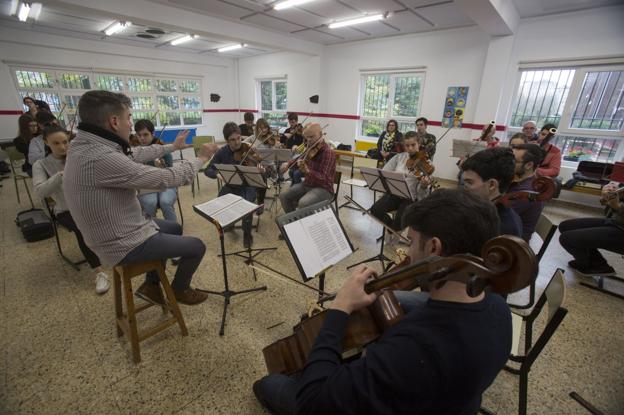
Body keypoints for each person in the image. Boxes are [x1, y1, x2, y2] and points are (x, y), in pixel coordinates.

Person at [253, 189, 512, 415]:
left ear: (434, 248)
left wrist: (340, 308)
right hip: (452, 402)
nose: (408, 253)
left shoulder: (411, 350)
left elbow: (314, 404)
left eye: (411, 242)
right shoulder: (499, 308)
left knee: (268, 384)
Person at [63, 90, 217, 306]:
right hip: (120, 243)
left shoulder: (86, 145)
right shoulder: (101, 158)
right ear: (114, 121)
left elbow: (134, 154)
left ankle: (152, 285)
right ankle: (180, 290)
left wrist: (172, 147)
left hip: (115, 229)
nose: (131, 124)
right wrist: (202, 158)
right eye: (129, 118)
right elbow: (166, 177)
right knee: (197, 246)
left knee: (173, 228)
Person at [32, 125, 110, 294]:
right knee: (83, 228)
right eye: (56, 143)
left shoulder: (77, 157)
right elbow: (40, 191)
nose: (62, 147)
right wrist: (60, 175)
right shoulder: (41, 165)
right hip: (66, 210)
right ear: (46, 142)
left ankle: (117, 253)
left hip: (89, 204)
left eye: (65, 142)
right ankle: (99, 272)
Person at [205, 122, 262, 249]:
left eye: (238, 138)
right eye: (232, 140)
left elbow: (261, 168)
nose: (237, 143)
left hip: (247, 185)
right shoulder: (222, 152)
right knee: (220, 200)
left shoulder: (248, 149)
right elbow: (208, 170)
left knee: (246, 205)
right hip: (231, 185)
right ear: (226, 141)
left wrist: (260, 169)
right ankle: (228, 224)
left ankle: (247, 234)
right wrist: (218, 175)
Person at [369, 132, 432, 234]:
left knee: (401, 219)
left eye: (413, 145)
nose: (410, 148)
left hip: (411, 198)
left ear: (419, 144)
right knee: (375, 210)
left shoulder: (426, 163)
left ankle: (394, 230)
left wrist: (424, 186)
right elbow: (385, 172)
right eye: (407, 146)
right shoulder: (399, 157)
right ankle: (392, 229)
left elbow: (422, 196)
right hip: (394, 193)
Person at [559, 181, 624, 276]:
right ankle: (598, 264)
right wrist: (610, 190)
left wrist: (618, 207)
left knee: (566, 238)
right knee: (565, 226)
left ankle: (588, 265)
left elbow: (618, 207)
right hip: (617, 222)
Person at [461, 147, 522, 237]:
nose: (464, 189)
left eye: (469, 183)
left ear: (492, 185)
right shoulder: (486, 208)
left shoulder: (500, 229)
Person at [279, 123, 335, 214]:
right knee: (283, 196)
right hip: (308, 184)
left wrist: (308, 171)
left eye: (311, 137)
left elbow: (324, 178)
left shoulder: (328, 152)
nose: (308, 140)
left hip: (324, 189)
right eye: (306, 137)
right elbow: (299, 158)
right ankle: (294, 222)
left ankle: (304, 225)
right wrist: (288, 164)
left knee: (303, 203)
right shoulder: (310, 147)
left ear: (321, 134)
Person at [134, 119, 179, 223]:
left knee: (165, 201)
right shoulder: (136, 152)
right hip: (147, 185)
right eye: (139, 135)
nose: (142, 138)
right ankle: (152, 230)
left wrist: (162, 167)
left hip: (166, 183)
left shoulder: (162, 148)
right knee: (150, 203)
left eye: (145, 135)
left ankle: (174, 230)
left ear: (153, 134)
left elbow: (171, 173)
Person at [508, 144, 547, 242]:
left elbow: (495, 216)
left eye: (513, 161)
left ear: (529, 165)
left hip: (512, 243)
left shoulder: (527, 193)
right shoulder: (522, 181)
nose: (507, 164)